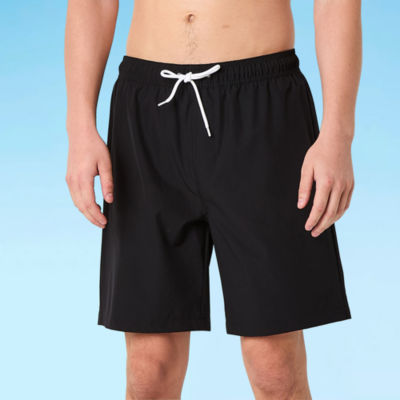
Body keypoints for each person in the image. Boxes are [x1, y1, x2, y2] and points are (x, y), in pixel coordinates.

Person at [64, 0, 362, 398]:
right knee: (148, 372)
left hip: (261, 107)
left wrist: (339, 133)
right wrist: (79, 127)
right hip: (146, 114)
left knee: (274, 369)